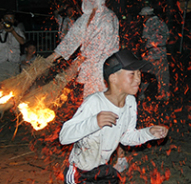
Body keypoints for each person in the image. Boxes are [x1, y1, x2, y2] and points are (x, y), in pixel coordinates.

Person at [59, 50, 169, 184]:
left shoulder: (130, 102)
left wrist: (149, 132)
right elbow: (64, 136)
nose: (138, 79)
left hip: (102, 171)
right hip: (80, 173)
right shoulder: (95, 102)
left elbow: (127, 137)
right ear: (113, 78)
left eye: (139, 73)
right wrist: (94, 122)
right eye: (132, 74)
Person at [46, 0, 119, 98]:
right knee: (90, 102)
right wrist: (51, 58)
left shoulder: (107, 17)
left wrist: (76, 64)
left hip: (105, 69)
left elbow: (96, 46)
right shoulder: (86, 18)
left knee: (103, 104)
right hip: (90, 68)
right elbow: (72, 38)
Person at [0, 10, 26, 93]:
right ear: (2, 20)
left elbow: (22, 41)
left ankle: (12, 105)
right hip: (0, 63)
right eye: (7, 18)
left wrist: (12, 31)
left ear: (14, 20)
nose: (9, 20)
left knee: (14, 89)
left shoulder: (17, 30)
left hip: (13, 63)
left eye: (11, 18)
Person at [138, 6, 170, 100]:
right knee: (162, 75)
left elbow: (145, 39)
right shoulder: (162, 23)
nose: (143, 18)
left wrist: (142, 50)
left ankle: (142, 94)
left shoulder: (148, 23)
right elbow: (168, 37)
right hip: (162, 52)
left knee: (146, 74)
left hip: (151, 53)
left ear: (147, 15)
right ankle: (164, 94)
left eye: (143, 16)